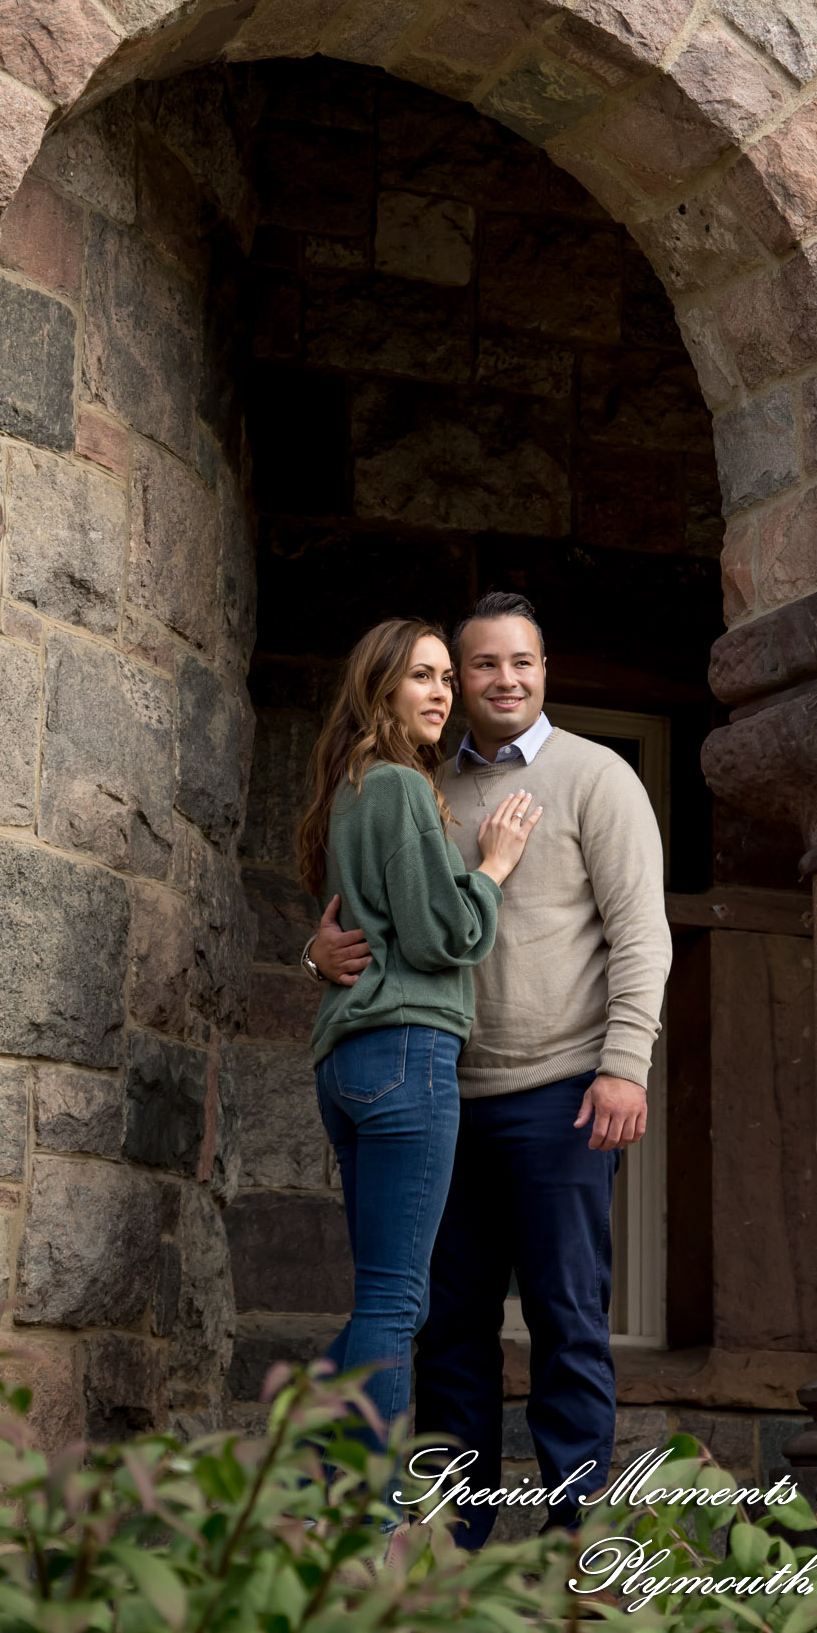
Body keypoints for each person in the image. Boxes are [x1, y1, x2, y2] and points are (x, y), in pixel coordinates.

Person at [309, 592, 671, 1548]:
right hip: (442, 1096)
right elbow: (377, 914)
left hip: (563, 1092)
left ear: (544, 672)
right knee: (447, 1334)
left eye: (521, 662)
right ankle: (452, 1550)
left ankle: (578, 1548)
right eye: (480, 666)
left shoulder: (597, 777)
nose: (502, 680)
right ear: (457, 683)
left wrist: (624, 1065)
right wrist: (314, 954)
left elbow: (642, 935)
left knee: (567, 1323)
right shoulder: (421, 781)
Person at [299, 615, 542, 1439]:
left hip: (348, 1062)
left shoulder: (349, 789)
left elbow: (351, 928)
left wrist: (311, 960)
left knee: (387, 1297)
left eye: (445, 678)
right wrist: (493, 870)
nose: (441, 694)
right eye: (421, 677)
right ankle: (363, 1504)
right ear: (380, 690)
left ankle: (303, 1471)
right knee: (396, 1300)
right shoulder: (400, 787)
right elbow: (446, 937)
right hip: (407, 1050)